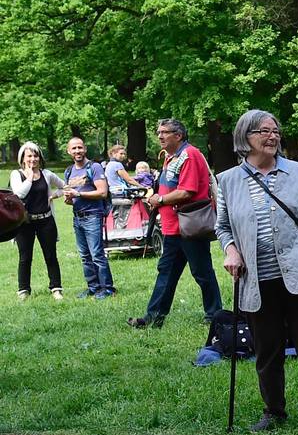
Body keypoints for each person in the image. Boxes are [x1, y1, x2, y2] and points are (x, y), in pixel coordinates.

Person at [215, 110, 298, 431]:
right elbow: (223, 226)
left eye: (275, 131)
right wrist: (231, 251)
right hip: (257, 278)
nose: (272, 137)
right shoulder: (228, 181)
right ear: (246, 138)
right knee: (267, 349)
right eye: (264, 132)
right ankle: (273, 411)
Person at [128, 119, 222, 327]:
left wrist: (159, 200)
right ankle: (153, 317)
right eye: (158, 132)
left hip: (189, 227)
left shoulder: (189, 155)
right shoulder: (172, 157)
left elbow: (186, 191)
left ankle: (215, 316)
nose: (160, 136)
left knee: (202, 272)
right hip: (173, 228)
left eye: (165, 132)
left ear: (178, 136)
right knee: (166, 272)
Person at [10, 141, 65, 300]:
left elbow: (64, 186)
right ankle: (23, 291)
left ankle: (56, 288)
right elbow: (19, 194)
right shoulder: (16, 174)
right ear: (22, 158)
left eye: (35, 155)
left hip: (46, 221)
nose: (33, 159)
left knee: (51, 256)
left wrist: (54, 195)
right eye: (29, 156)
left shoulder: (47, 174)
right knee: (25, 257)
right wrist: (28, 178)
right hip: (24, 223)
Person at [62, 136, 116, 299]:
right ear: (68, 151)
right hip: (77, 217)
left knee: (96, 254)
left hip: (93, 216)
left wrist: (78, 193)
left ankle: (107, 288)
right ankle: (93, 287)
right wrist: (69, 199)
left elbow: (102, 192)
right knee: (85, 255)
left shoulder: (95, 167)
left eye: (80, 147)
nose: (77, 151)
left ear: (85, 149)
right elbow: (72, 199)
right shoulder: (69, 171)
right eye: (74, 148)